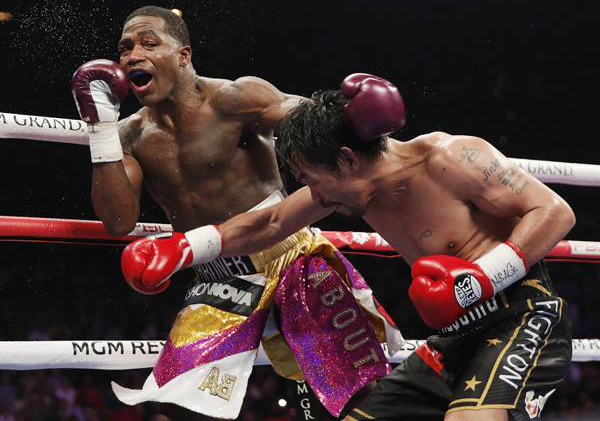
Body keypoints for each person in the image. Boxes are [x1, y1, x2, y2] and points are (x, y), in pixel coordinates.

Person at [123, 73, 575, 420]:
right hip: (456, 335)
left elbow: (555, 212)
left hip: (522, 314)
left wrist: (480, 279)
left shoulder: (451, 157)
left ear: (346, 158)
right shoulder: (350, 186)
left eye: (312, 180)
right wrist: (185, 248)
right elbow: (272, 220)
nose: (315, 195)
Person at [71, 6, 401, 421]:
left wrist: (356, 113)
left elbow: (313, 123)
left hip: (289, 257)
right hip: (216, 278)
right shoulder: (131, 135)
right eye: (125, 48)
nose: (132, 54)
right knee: (177, 408)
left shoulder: (236, 98)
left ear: (184, 55)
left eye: (148, 43)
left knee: (353, 397)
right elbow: (118, 221)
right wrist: (99, 130)